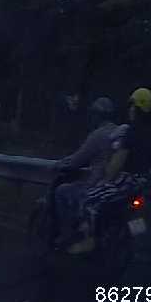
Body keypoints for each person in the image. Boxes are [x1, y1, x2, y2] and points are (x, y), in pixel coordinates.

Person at [68, 87, 151, 255]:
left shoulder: (131, 132)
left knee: (88, 200)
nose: (130, 109)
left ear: (137, 108)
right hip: (142, 183)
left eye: (132, 106)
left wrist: (105, 179)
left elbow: (116, 164)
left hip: (124, 182)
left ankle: (89, 240)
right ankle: (133, 243)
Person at [52, 97, 117, 241]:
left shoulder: (98, 135)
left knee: (61, 191)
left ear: (97, 116)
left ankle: (67, 233)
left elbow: (78, 159)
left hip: (97, 185)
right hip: (117, 185)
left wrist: (60, 164)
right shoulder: (119, 132)